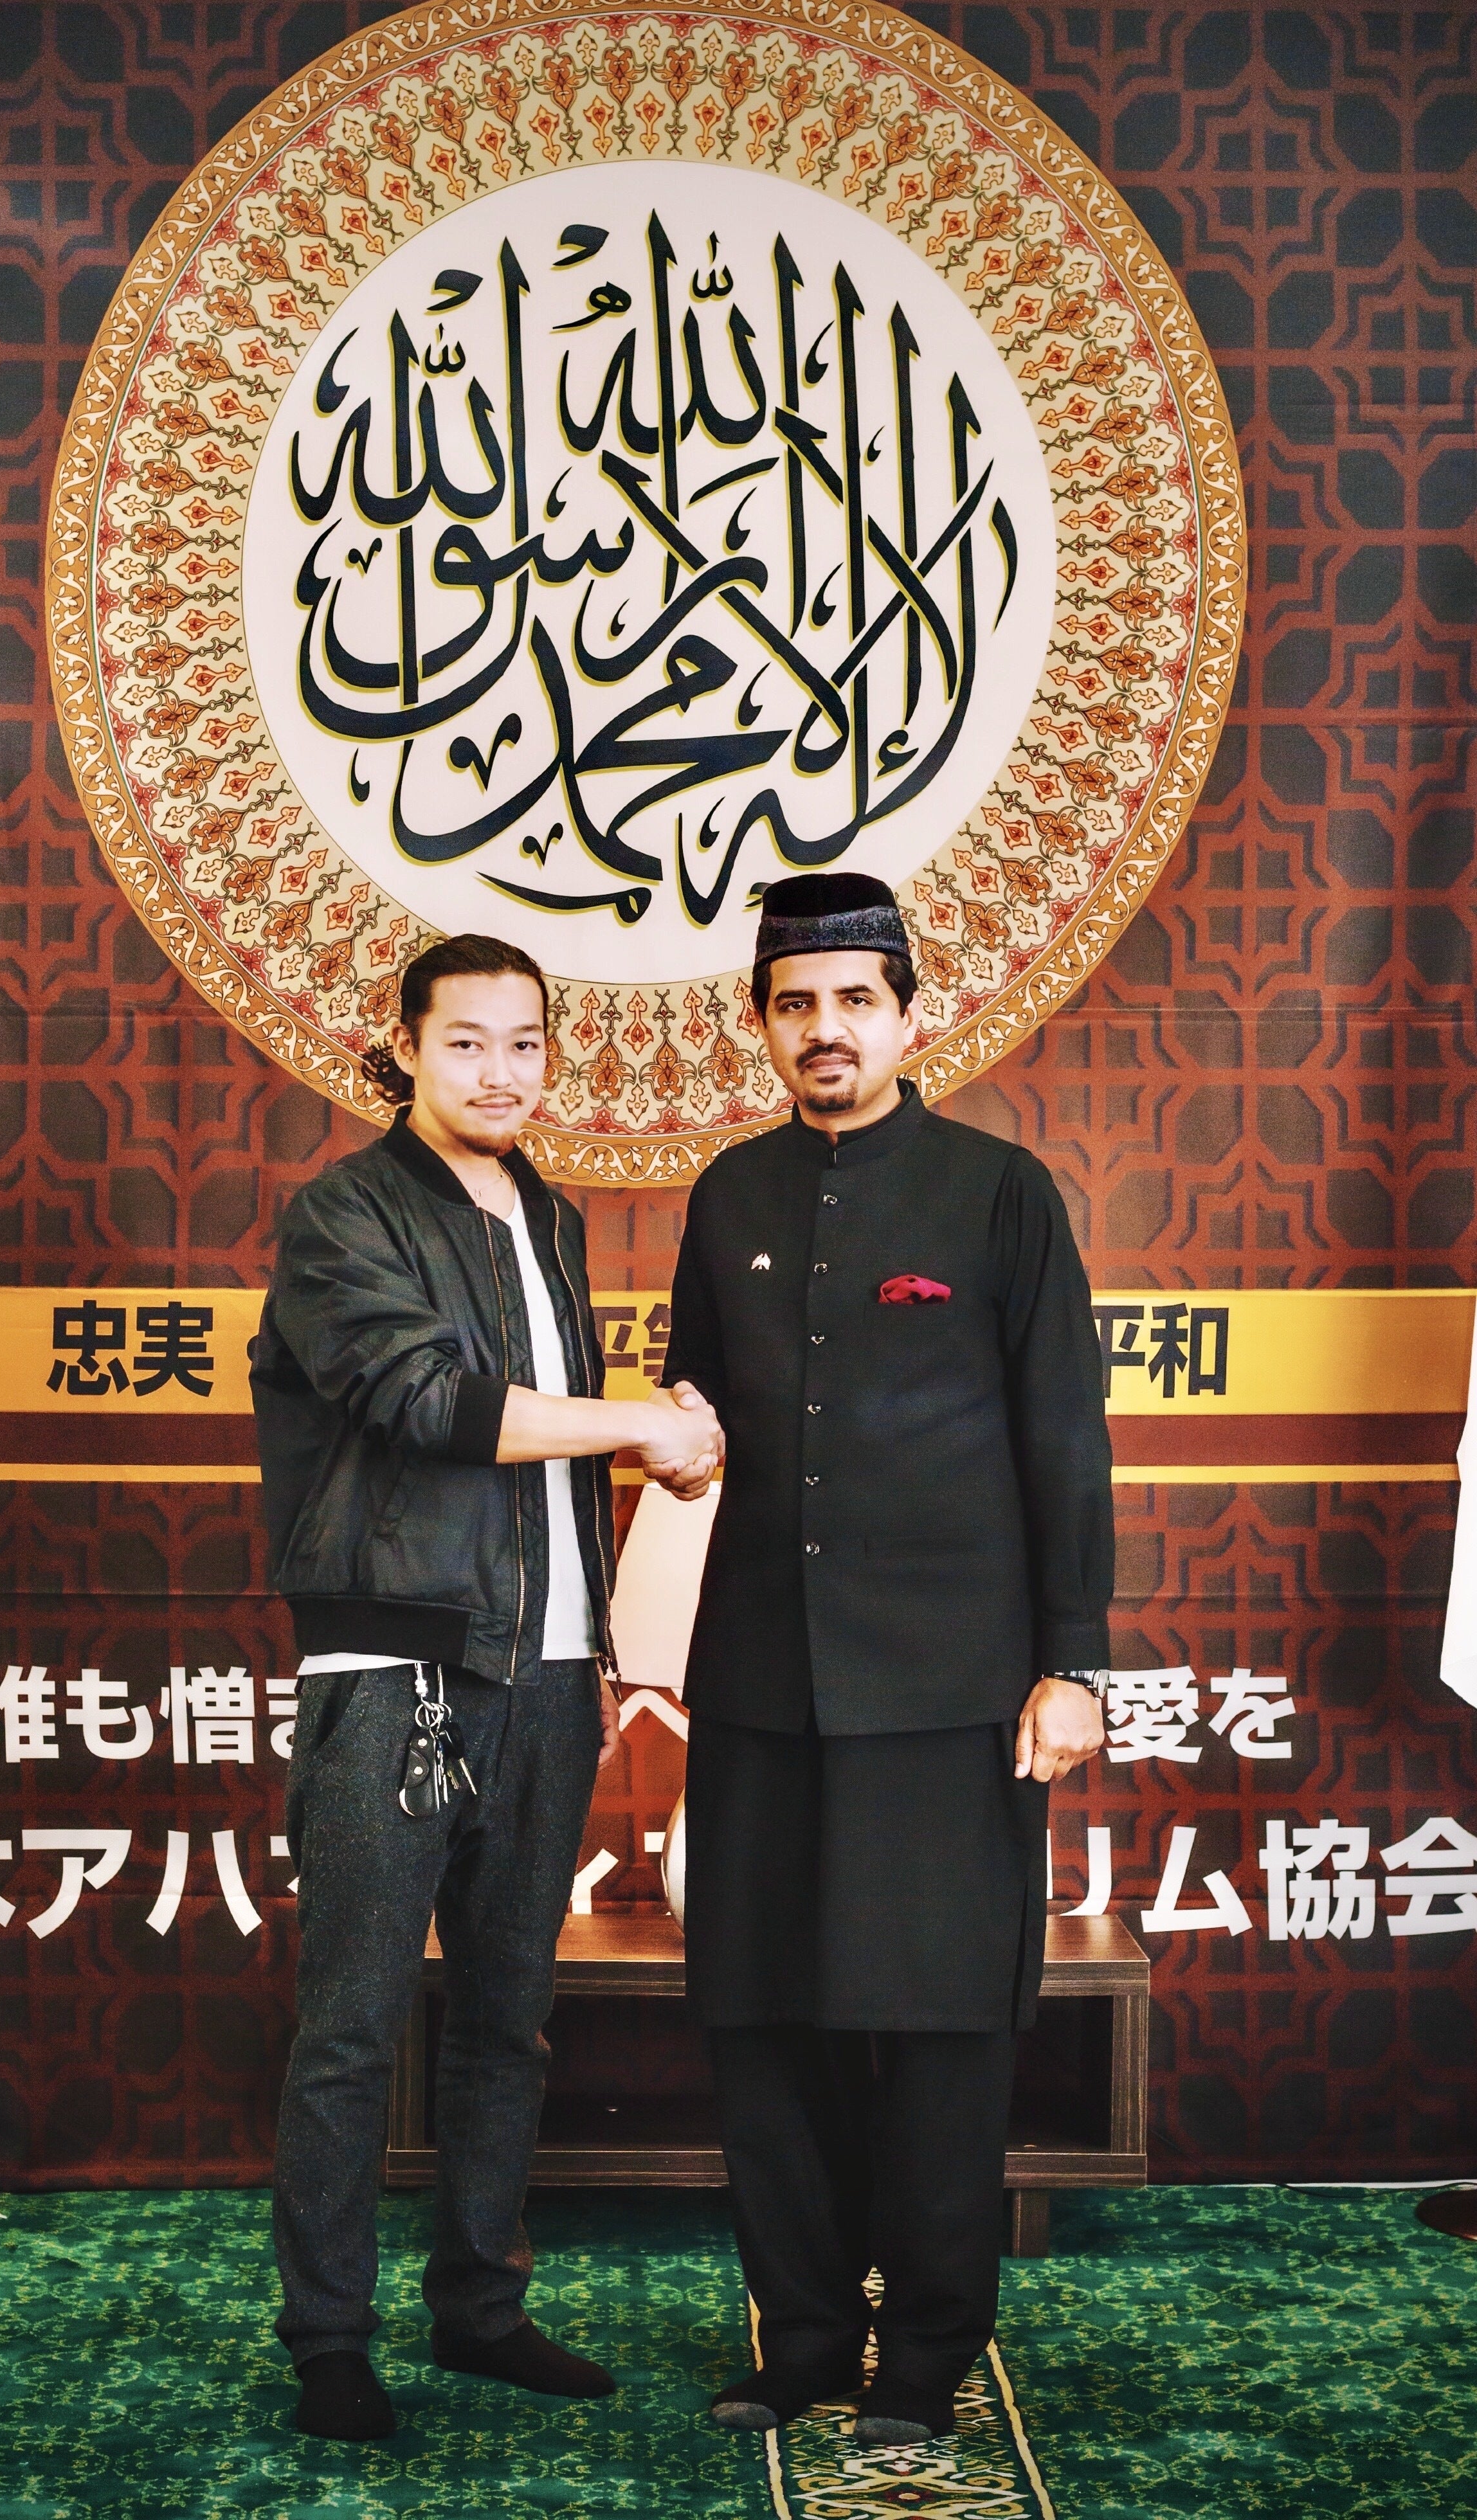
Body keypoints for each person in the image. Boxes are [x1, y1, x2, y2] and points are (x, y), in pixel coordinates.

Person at [656, 870, 1112, 2447]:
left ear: (913, 1017)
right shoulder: (727, 1195)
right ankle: (797, 2345)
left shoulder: (999, 1193)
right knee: (761, 2021)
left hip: (952, 1692)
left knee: (938, 2033)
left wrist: (1073, 1664)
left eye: (856, 999)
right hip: (760, 1685)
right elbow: (694, 1422)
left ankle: (921, 2358)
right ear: (762, 1027)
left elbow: (1066, 1442)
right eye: (795, 1005)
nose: (826, 1029)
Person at [251, 932, 721, 2444]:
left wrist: (640, 1503)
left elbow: (543, 1450)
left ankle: (481, 2307)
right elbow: (430, 1405)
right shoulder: (345, 1213)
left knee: (507, 2020)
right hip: (398, 1667)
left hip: (548, 1668)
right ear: (404, 1047)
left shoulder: (551, 1215)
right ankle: (330, 2340)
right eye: (466, 1041)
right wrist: (636, 1426)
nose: (500, 1071)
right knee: (353, 2026)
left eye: (525, 1042)